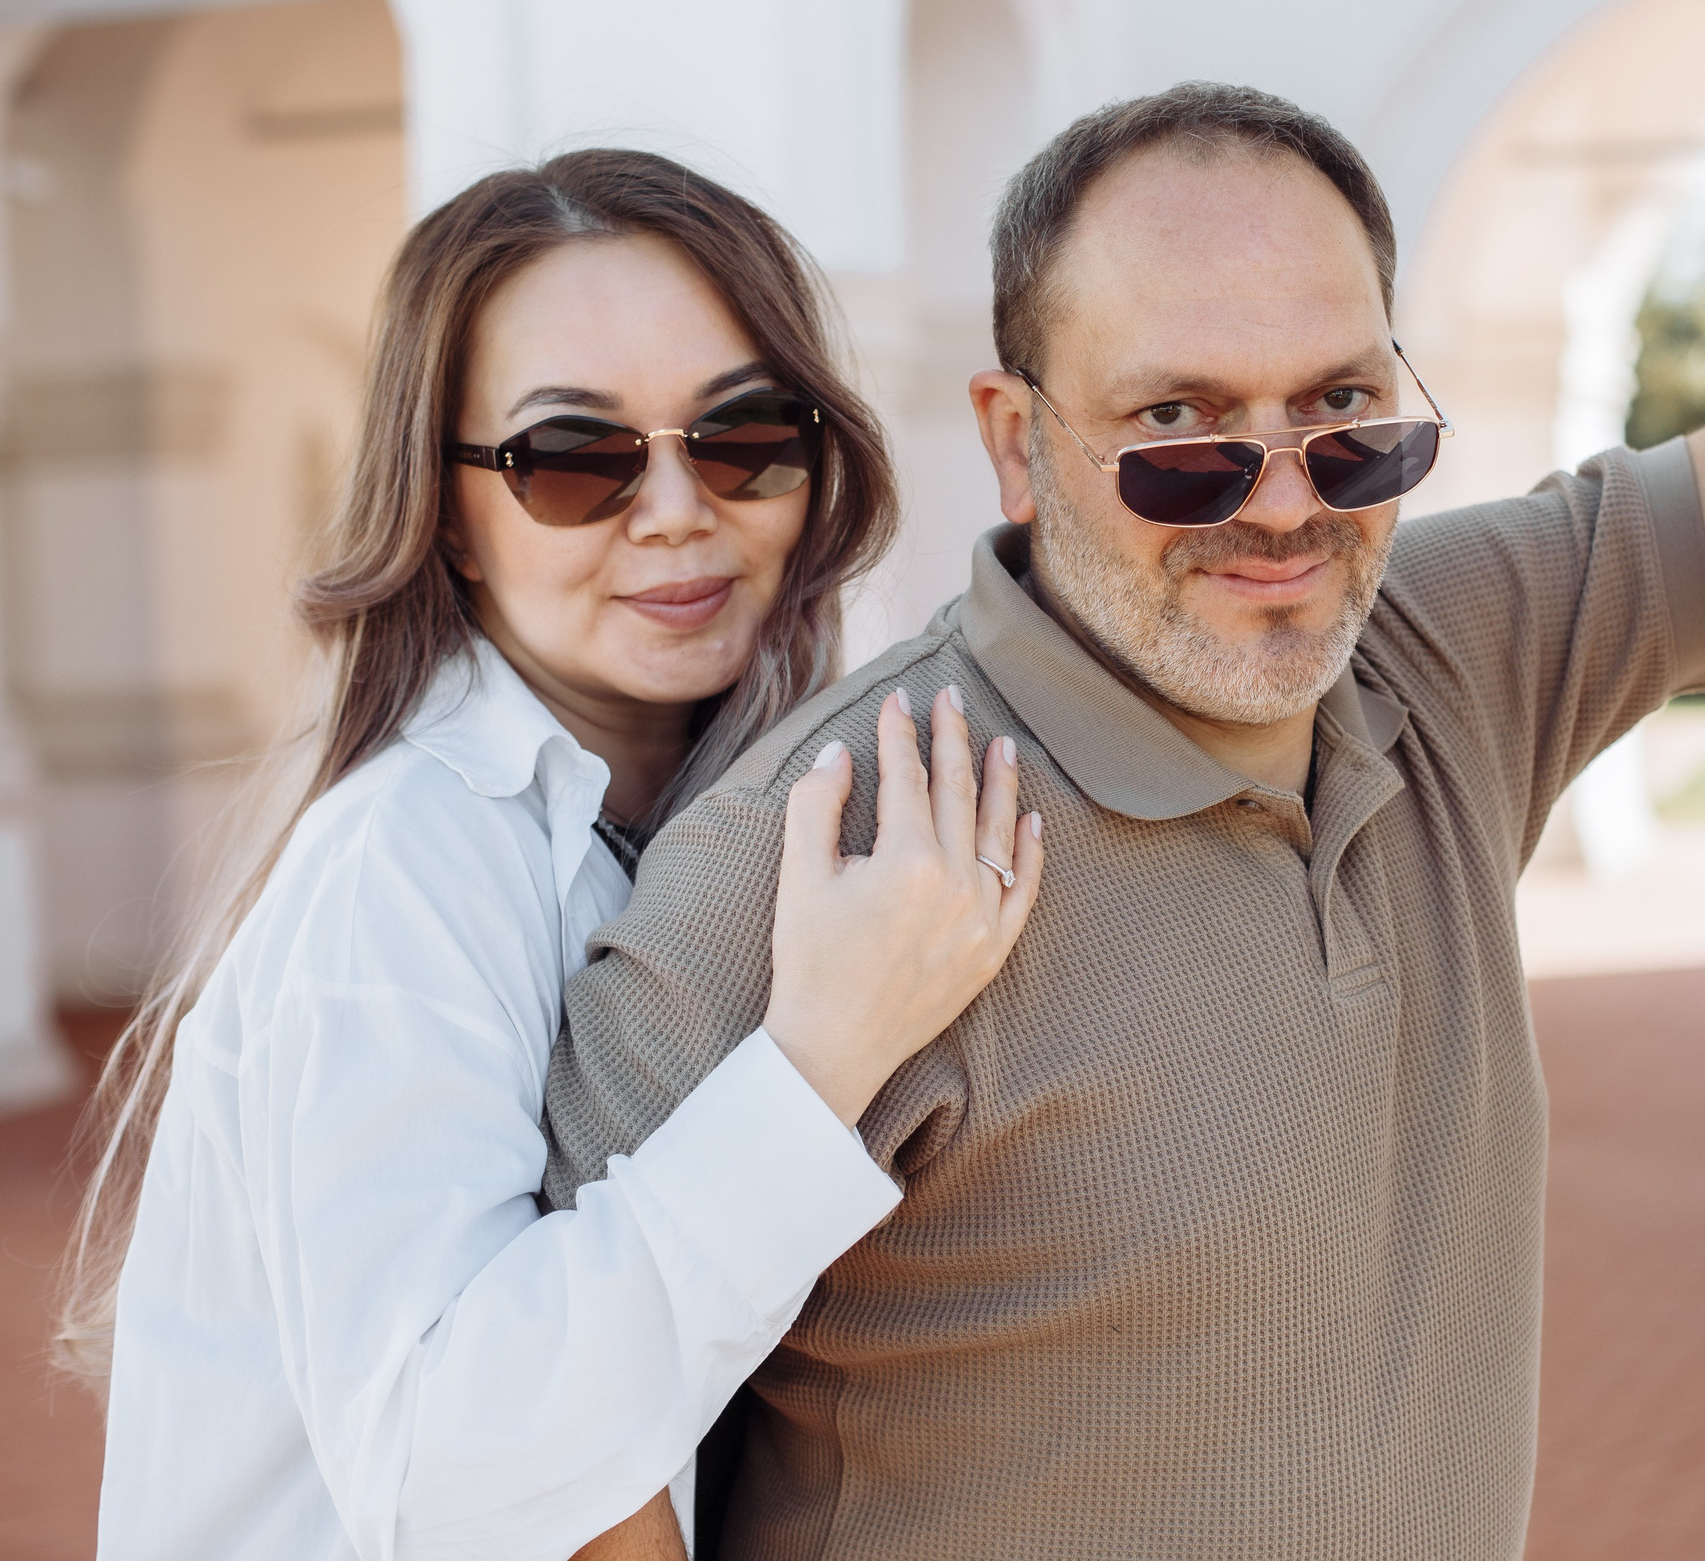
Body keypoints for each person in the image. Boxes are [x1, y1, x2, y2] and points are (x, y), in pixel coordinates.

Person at [541, 85, 1705, 1561]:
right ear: (1016, 441)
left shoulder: (1451, 649)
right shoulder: (813, 847)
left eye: (1344, 411)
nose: (1286, 507)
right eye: (1180, 427)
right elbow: (548, 1454)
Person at [64, 150, 1043, 1561]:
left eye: (742, 434)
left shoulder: (740, 815)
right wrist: (821, 1057)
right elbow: (454, 1474)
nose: (673, 510)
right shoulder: (401, 869)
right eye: (573, 458)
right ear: (449, 512)